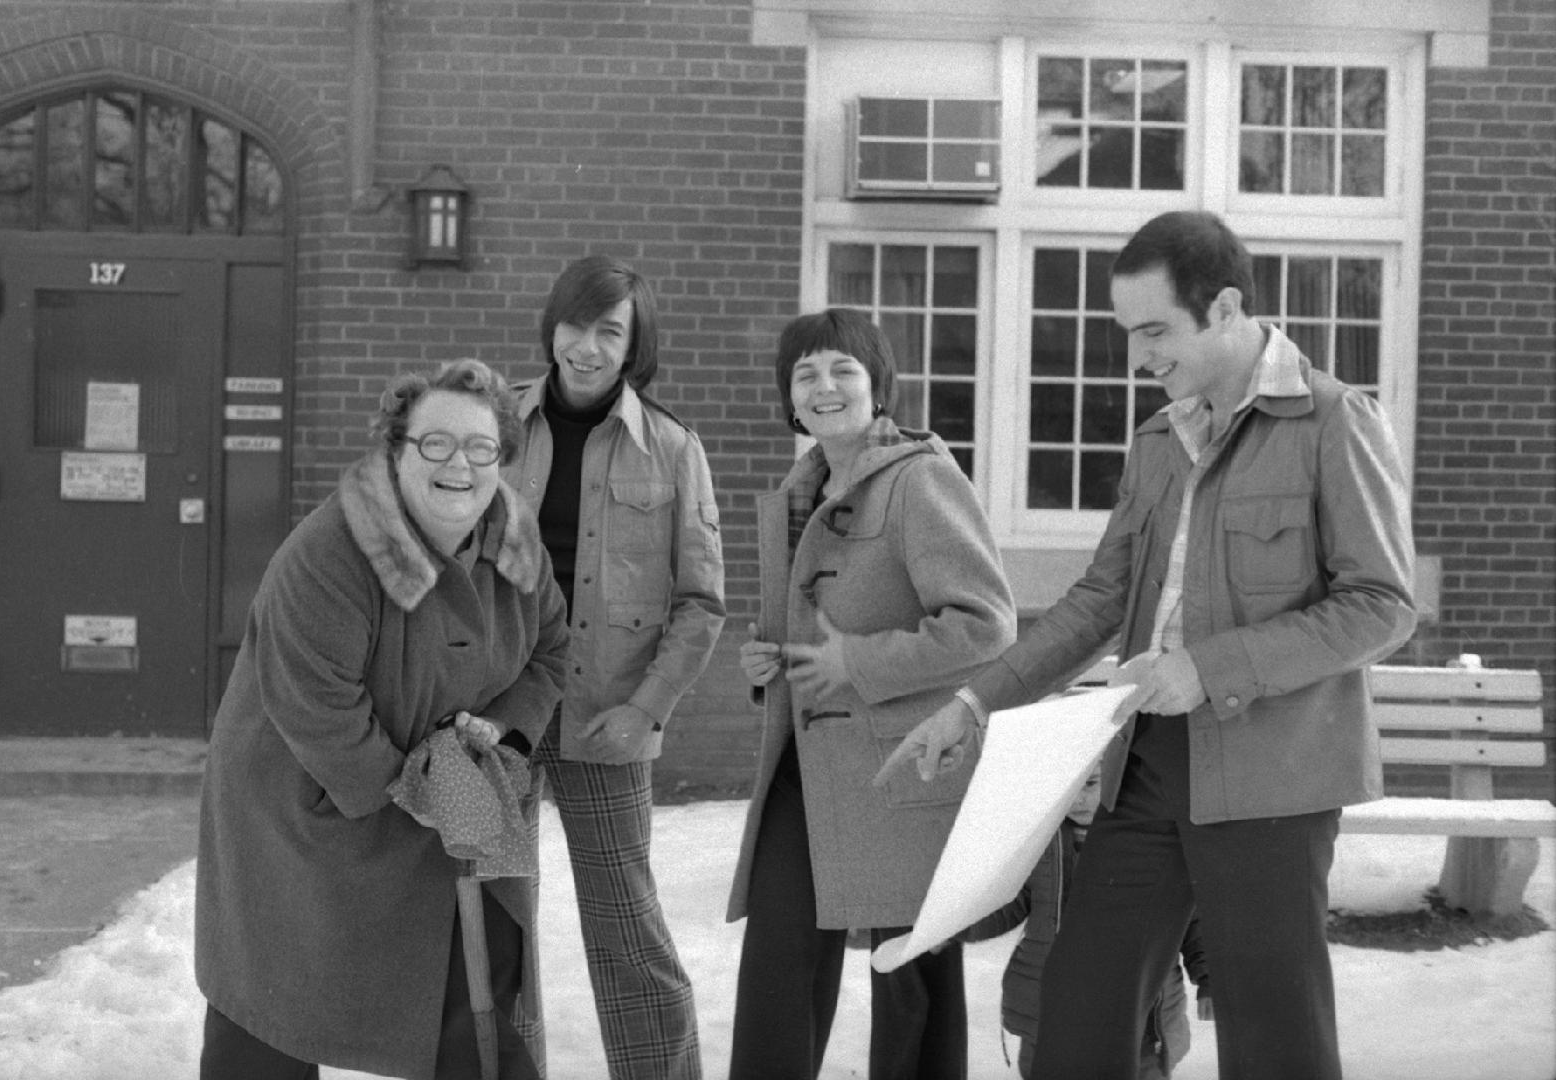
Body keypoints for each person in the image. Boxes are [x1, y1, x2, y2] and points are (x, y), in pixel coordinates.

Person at [879, 210, 1417, 1080]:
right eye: (1128, 333)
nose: (1138, 358)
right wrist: (973, 703)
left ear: (1228, 306)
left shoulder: (1333, 422)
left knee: (1274, 1034)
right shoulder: (1159, 440)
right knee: (1079, 1012)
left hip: (1274, 774)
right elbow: (1100, 599)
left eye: (1156, 329)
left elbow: (1383, 605)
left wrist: (1206, 668)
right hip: (1148, 763)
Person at [194, 360, 570, 1080]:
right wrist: (426, 788)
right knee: (277, 1009)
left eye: (481, 447)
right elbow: (318, 705)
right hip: (309, 807)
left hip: (457, 793)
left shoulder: (516, 542)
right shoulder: (330, 554)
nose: (459, 464)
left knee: (482, 998)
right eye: (435, 443)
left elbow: (552, 650)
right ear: (396, 450)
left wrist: (502, 725)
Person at [726, 308, 1016, 1080]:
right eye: (805, 374)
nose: (824, 387)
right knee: (778, 962)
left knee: (912, 980)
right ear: (789, 398)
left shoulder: (920, 479)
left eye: (842, 371)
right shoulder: (800, 490)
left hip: (900, 765)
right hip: (807, 767)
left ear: (878, 386)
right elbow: (812, 632)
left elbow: (986, 624)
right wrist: (772, 664)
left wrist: (859, 663)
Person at [500, 254, 725, 1080]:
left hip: (608, 719)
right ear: (551, 326)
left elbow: (701, 602)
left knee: (628, 928)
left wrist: (648, 708)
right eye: (575, 324)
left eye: (610, 331)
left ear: (634, 347)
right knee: (495, 921)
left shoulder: (671, 447)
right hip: (496, 717)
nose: (586, 346)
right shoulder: (493, 425)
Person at [961, 767, 1210, 1079]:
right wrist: (958, 926)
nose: (1078, 798)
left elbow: (1192, 921)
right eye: (1069, 786)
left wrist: (1209, 979)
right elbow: (1008, 906)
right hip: (1049, 1011)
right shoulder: (1039, 845)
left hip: (1135, 1012)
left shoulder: (1152, 845)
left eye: (1090, 783)